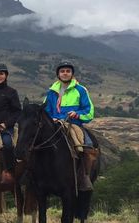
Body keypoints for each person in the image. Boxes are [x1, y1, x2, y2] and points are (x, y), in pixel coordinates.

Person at [42, 60, 98, 191]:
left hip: (73, 124)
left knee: (87, 145)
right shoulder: (52, 92)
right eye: (62, 71)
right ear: (58, 74)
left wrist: (77, 114)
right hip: (54, 124)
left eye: (68, 71)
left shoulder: (80, 90)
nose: (65, 73)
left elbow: (89, 112)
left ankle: (85, 176)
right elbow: (44, 111)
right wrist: (51, 118)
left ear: (72, 74)